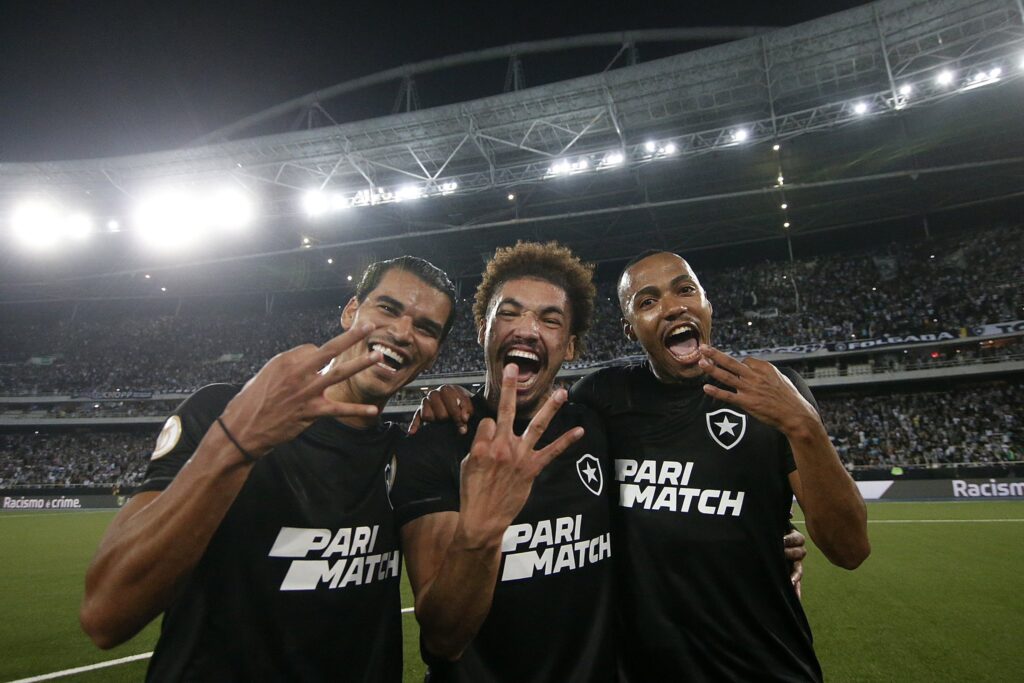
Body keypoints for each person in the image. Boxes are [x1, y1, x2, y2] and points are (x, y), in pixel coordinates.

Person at [80, 256, 457, 682]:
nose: (403, 333)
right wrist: (235, 445)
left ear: (434, 353)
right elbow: (105, 616)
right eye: (387, 308)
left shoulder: (410, 453)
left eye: (426, 328)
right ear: (351, 311)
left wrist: (455, 402)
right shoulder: (224, 412)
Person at [569, 250, 870, 681]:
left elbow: (850, 550)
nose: (673, 307)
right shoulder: (603, 396)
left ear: (707, 304)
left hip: (766, 667)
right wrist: (454, 404)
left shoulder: (772, 391)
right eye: (647, 301)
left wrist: (805, 426)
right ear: (630, 329)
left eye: (685, 289)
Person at [391, 242, 617, 682]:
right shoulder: (435, 440)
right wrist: (484, 528)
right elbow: (442, 639)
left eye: (550, 319)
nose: (527, 330)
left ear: (569, 347)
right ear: (482, 329)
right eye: (509, 314)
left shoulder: (598, 427)